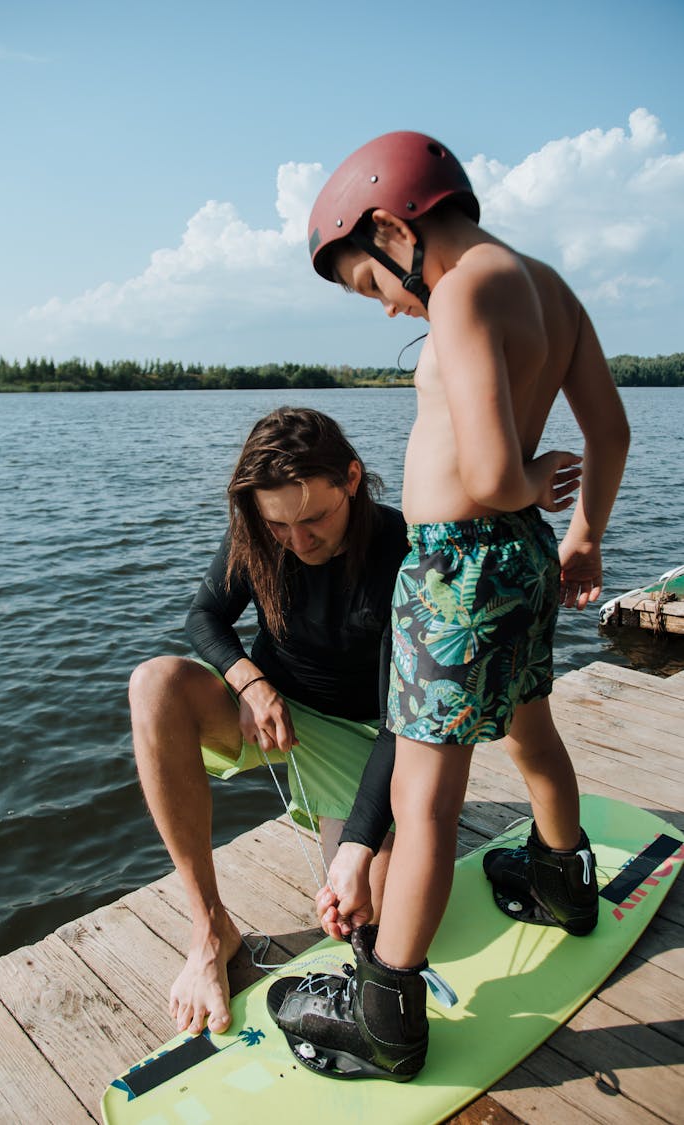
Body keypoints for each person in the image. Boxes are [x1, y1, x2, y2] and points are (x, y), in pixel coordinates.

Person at [267, 131, 630, 1081]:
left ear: (393, 228)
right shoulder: (551, 286)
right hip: (519, 560)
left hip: (454, 565)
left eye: (370, 283)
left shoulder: (464, 287)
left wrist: (520, 482)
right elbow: (612, 427)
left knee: (425, 802)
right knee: (531, 727)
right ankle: (563, 881)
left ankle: (387, 1010)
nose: (386, 303)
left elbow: (488, 470)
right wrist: (585, 529)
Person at [129, 406, 409, 1036]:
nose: (299, 541)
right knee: (154, 684)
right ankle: (209, 931)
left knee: (376, 924)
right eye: (279, 525)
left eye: (315, 518)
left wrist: (361, 845)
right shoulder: (259, 529)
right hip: (271, 711)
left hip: (373, 733)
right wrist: (252, 684)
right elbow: (204, 616)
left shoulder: (402, 546)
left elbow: (406, 717)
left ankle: (356, 831)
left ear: (353, 480)